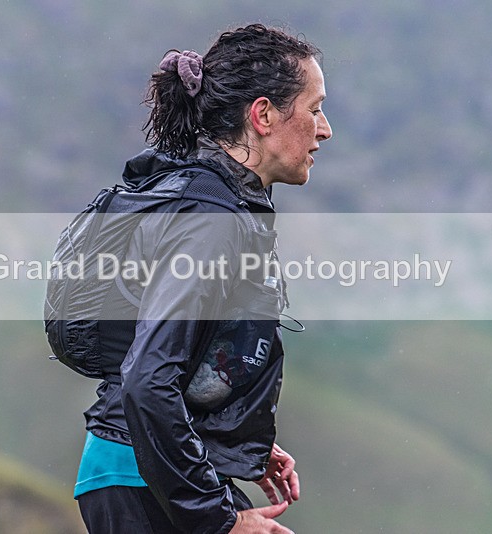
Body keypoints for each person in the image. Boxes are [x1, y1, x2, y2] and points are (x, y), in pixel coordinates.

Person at [74, 23, 332, 533]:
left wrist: (231, 436)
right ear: (262, 115)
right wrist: (220, 522)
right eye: (316, 108)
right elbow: (147, 379)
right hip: (145, 484)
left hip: (140, 474)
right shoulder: (210, 220)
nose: (325, 130)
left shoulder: (204, 197)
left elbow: (178, 358)